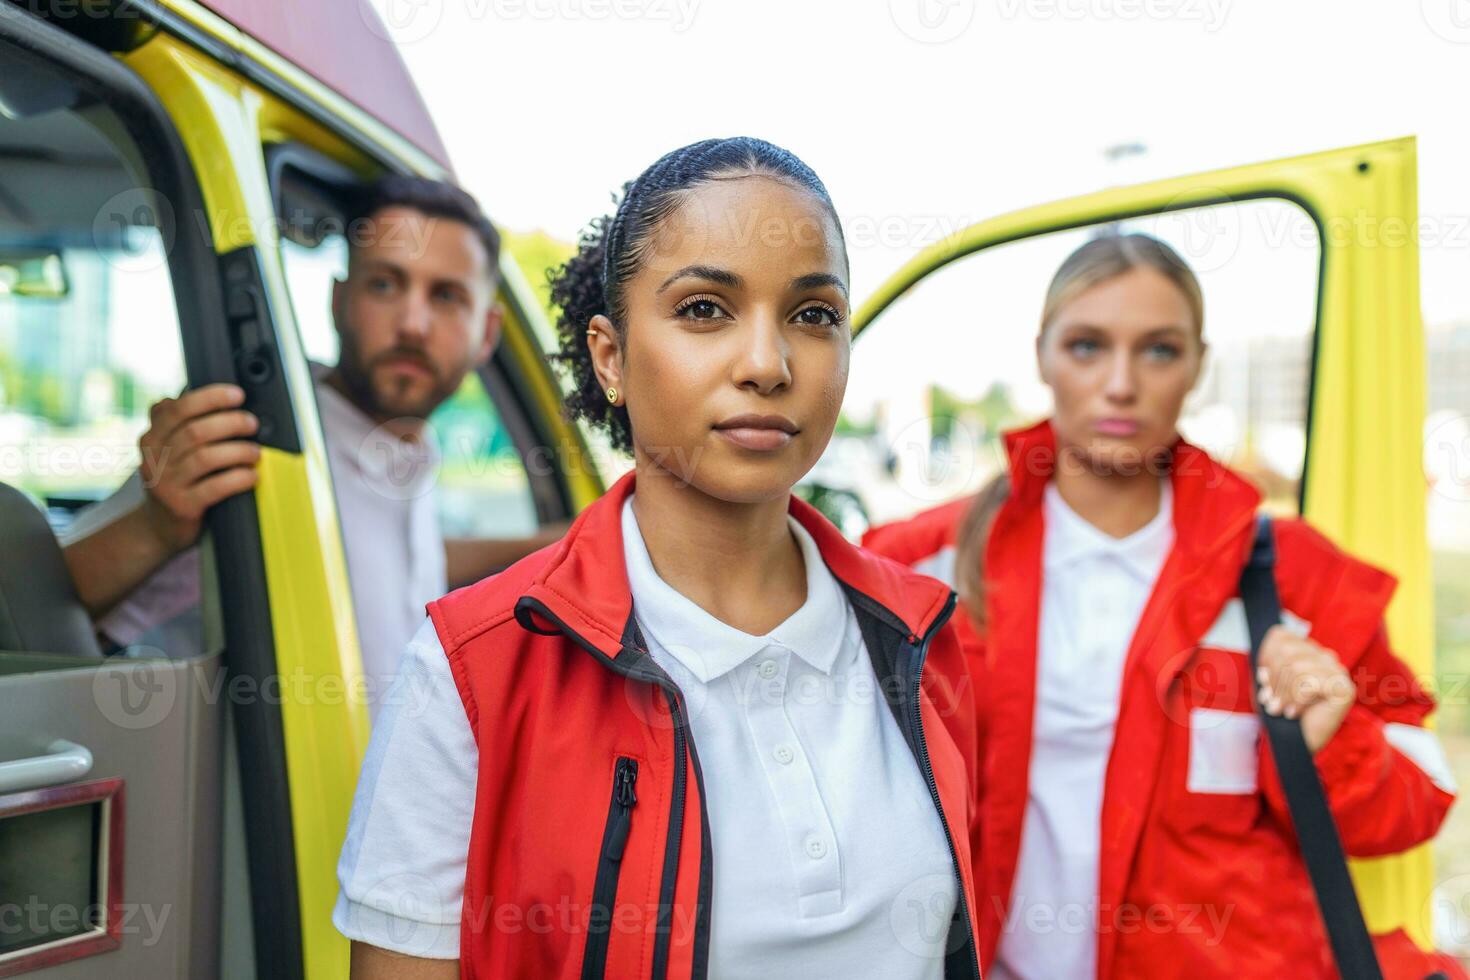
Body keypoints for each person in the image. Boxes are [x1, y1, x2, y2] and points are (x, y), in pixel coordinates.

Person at [332, 137, 984, 979]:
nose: (767, 363)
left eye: (813, 314)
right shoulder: (470, 675)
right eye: (705, 309)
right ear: (610, 356)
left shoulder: (923, 633)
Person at [862, 232, 1459, 979]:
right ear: (1042, 354)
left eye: (1158, 350)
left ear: (1197, 365)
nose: (1120, 383)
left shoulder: (1293, 577)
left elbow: (1422, 795)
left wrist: (1335, 739)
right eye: (1086, 346)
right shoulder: (922, 564)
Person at [60, 175, 564, 720]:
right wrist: (154, 527)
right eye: (385, 285)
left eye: (445, 296)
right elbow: (31, 610)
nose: (413, 324)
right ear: (339, 301)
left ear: (485, 332)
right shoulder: (252, 438)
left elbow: (396, 563)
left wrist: (562, 542)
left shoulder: (407, 449)